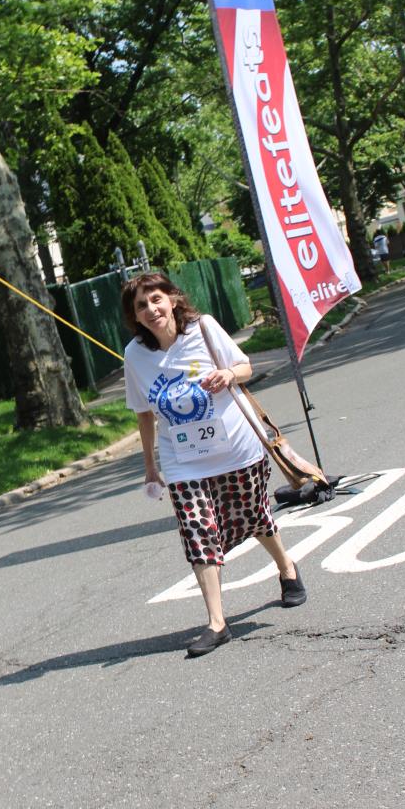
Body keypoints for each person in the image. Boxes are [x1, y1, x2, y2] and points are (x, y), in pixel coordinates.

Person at [122, 271, 306, 659]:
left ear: (172, 299)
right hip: (183, 460)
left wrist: (228, 374)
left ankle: (287, 567)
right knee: (197, 530)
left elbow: (245, 367)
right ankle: (217, 623)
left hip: (236, 447)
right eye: (141, 305)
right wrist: (151, 467)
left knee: (254, 516)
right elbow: (143, 413)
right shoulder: (135, 356)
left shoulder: (203, 329)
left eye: (156, 299)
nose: (151, 309)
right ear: (135, 316)